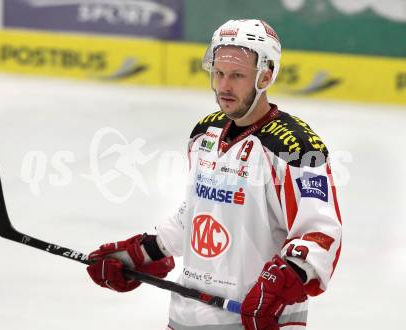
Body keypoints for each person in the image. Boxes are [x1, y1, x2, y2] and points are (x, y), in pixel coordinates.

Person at [86, 19, 342, 330]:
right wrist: (142, 252)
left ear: (265, 75)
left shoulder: (294, 146)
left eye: (237, 76)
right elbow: (197, 213)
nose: (224, 86)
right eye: (219, 73)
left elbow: (322, 233)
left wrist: (286, 277)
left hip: (257, 320)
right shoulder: (204, 133)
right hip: (188, 317)